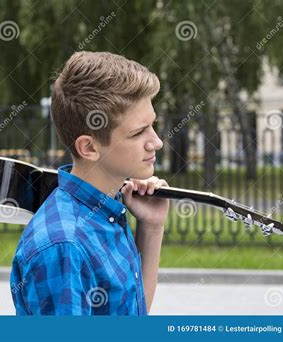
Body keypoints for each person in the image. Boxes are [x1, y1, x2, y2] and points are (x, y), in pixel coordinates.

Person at [10, 51, 169, 315]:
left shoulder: (106, 210)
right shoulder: (64, 246)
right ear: (89, 147)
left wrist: (151, 228)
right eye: (138, 132)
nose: (157, 142)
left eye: (153, 125)